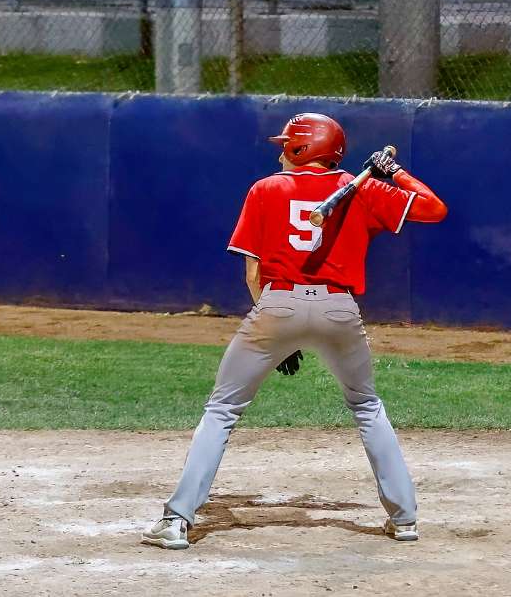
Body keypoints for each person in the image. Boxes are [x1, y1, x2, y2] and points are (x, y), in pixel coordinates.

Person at [141, 113, 447, 549]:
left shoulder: (266, 189)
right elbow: (435, 208)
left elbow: (253, 274)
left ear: (303, 148)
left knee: (223, 409)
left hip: (278, 304)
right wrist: (394, 172)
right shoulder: (362, 189)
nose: (281, 153)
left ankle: (175, 521)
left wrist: (275, 333)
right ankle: (405, 519)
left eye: (287, 145)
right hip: (340, 310)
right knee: (366, 406)